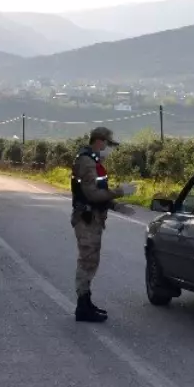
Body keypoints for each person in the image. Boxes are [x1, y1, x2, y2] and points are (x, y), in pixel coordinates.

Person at [70, 126, 135, 322]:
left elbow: (97, 194)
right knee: (87, 261)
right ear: (99, 141)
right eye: (107, 144)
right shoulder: (87, 162)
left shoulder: (92, 160)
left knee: (91, 260)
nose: (108, 148)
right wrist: (119, 191)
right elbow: (91, 194)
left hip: (93, 217)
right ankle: (82, 306)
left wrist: (115, 205)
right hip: (87, 218)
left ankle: (86, 302)